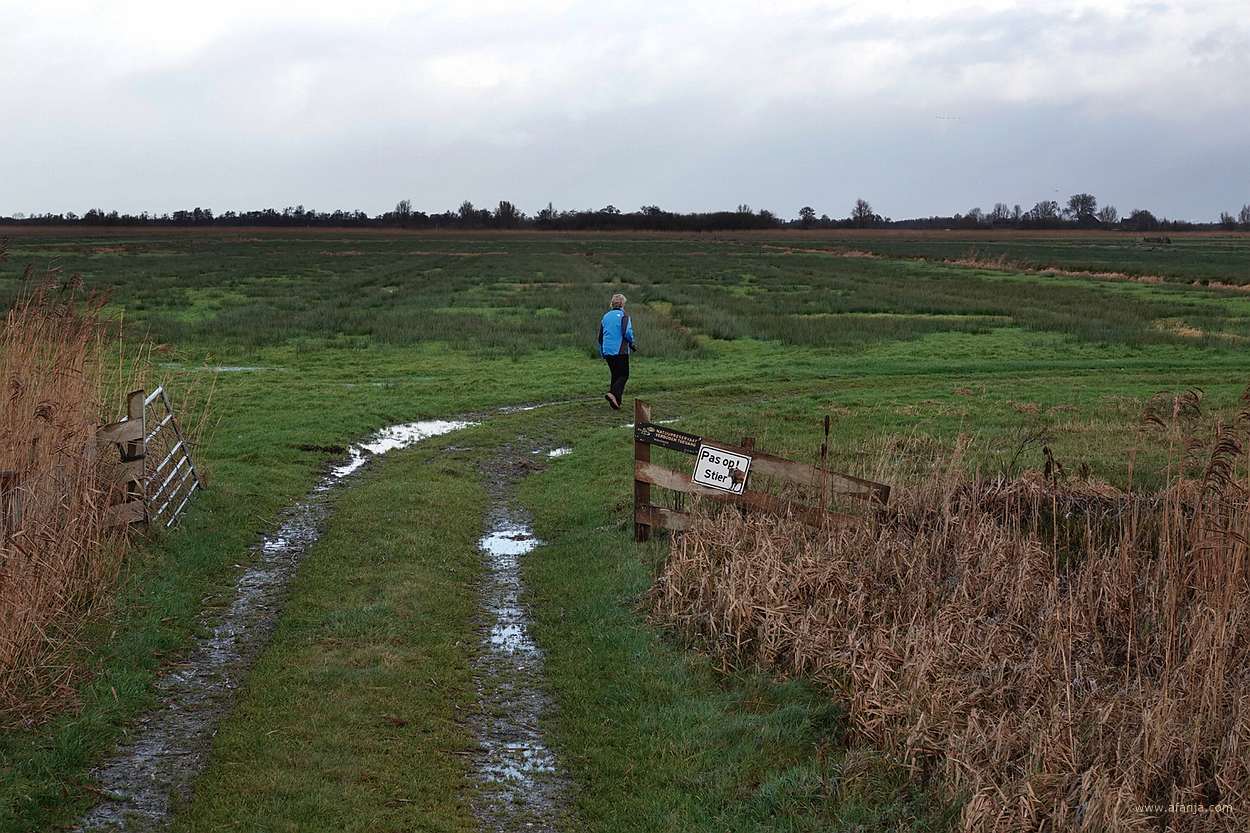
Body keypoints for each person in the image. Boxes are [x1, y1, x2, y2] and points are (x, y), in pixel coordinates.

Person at [598, 293, 636, 409]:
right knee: (624, 375)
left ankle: (616, 402)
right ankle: (612, 393)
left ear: (612, 304)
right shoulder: (624, 316)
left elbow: (600, 337)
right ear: (622, 304)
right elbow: (627, 333)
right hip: (620, 350)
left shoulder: (605, 316)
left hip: (607, 351)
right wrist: (632, 342)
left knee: (615, 375)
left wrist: (602, 351)